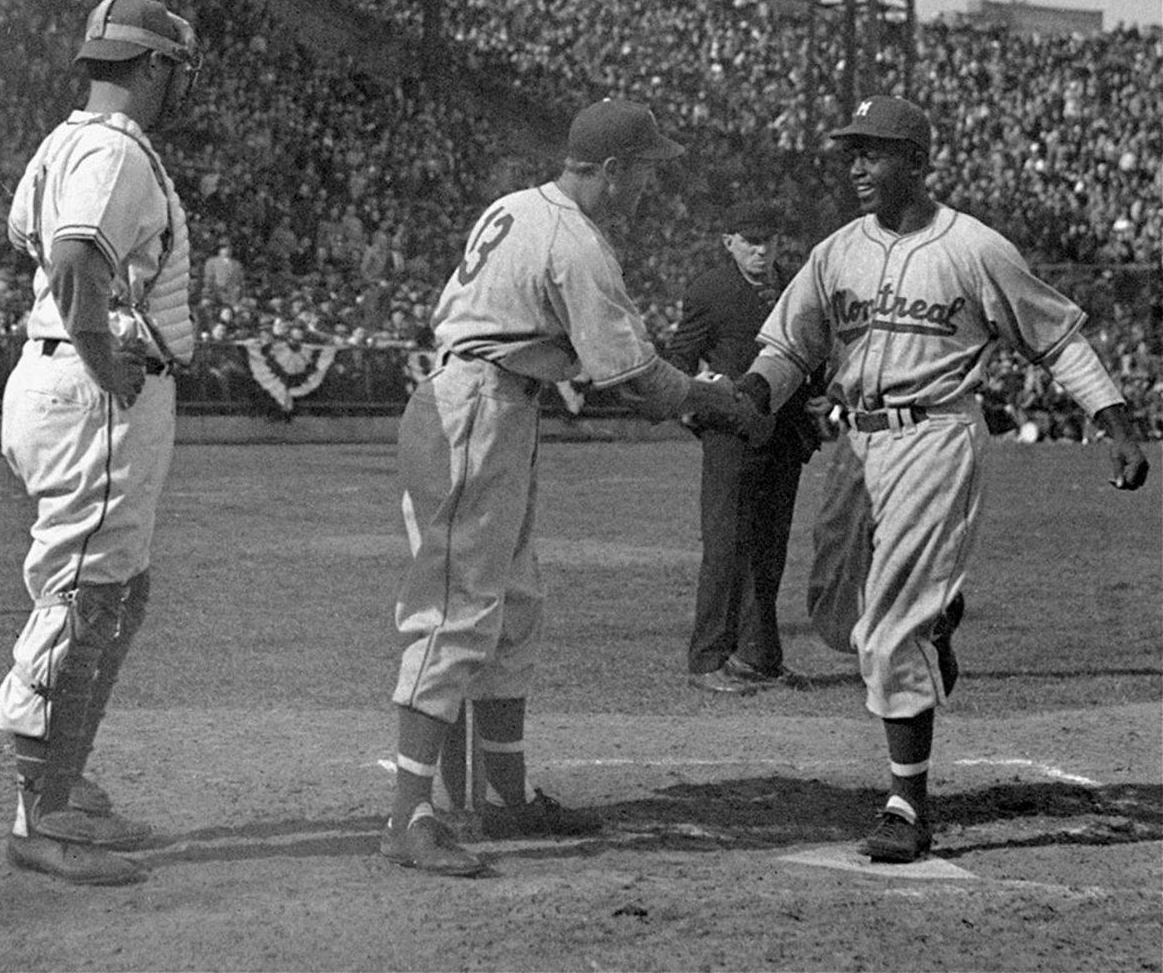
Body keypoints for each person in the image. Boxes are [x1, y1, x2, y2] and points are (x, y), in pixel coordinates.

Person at [734, 95, 1150, 863]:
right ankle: (940, 616)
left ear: (918, 162)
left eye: (874, 151)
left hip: (935, 432)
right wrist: (751, 394)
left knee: (890, 632)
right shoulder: (836, 252)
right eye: (852, 152)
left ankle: (906, 805)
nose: (857, 165)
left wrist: (1116, 422)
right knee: (837, 618)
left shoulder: (976, 248)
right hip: (855, 441)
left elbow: (1056, 338)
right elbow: (789, 346)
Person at [383, 99, 769, 877]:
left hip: (494, 401)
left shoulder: (518, 205)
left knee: (514, 603)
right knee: (458, 608)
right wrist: (719, 399)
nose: (649, 188)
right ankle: (408, 816)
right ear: (613, 169)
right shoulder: (575, 240)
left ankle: (506, 795)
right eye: (646, 171)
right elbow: (633, 376)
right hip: (476, 408)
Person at [0, 0, 202, 885]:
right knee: (84, 595)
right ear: (151, 65)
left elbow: (33, 241)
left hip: (64, 380)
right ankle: (40, 818)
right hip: (93, 390)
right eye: (175, 70)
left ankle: (63, 788)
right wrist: (101, 357)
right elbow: (76, 259)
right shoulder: (114, 150)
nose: (178, 85)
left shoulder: (63, 139)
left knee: (116, 589)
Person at [667, 200, 825, 695]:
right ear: (728, 242)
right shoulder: (710, 290)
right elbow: (678, 359)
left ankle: (759, 656)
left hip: (786, 432)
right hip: (730, 435)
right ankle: (708, 659)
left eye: (769, 240)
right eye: (749, 240)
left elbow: (814, 347)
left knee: (769, 549)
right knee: (725, 548)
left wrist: (819, 394)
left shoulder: (797, 284)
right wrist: (704, 390)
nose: (760, 250)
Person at [202, 236, 246, 307]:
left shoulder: (237, 264)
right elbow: (208, 281)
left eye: (229, 247)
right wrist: (206, 296)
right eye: (223, 247)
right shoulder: (211, 262)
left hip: (233, 297)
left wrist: (241, 296)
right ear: (219, 249)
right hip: (216, 296)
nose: (227, 250)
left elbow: (241, 282)